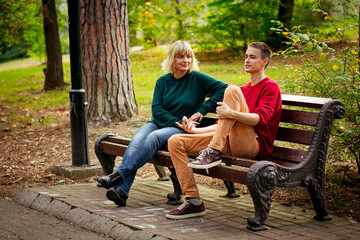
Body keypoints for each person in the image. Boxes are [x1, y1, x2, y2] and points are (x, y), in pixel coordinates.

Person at [96, 40, 228, 206]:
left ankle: (117, 176)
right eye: (180, 56)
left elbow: (226, 89)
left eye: (188, 56)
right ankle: (121, 190)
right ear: (172, 59)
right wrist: (175, 121)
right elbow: (156, 108)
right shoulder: (162, 81)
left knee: (154, 138)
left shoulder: (197, 78)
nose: (185, 60)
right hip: (160, 122)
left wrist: (203, 109)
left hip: (183, 129)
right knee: (137, 140)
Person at [166, 42, 282, 220]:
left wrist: (232, 113)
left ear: (265, 61)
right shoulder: (243, 90)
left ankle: (212, 151)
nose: (247, 60)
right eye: (246, 56)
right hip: (227, 142)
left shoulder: (270, 86)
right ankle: (193, 201)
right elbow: (223, 125)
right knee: (176, 141)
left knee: (231, 89)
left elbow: (262, 119)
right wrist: (194, 131)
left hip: (253, 145)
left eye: (252, 57)